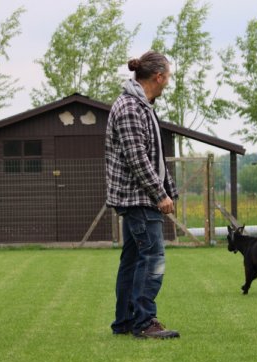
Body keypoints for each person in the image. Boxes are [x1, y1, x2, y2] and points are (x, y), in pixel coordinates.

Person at [105, 50, 180, 339]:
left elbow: (155, 156)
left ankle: (125, 322)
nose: (168, 82)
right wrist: (160, 195)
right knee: (153, 258)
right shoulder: (130, 108)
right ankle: (144, 322)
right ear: (158, 77)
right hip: (139, 199)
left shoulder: (143, 106)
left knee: (133, 260)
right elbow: (137, 158)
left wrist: (169, 190)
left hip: (141, 197)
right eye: (168, 77)